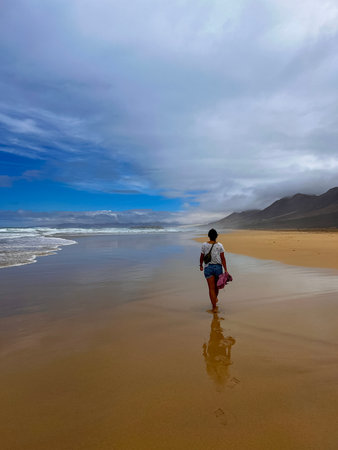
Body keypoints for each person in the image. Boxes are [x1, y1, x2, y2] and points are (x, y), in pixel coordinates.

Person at [200, 228, 228, 310]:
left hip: (208, 268)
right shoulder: (220, 245)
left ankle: (214, 306)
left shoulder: (204, 245)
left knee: (211, 288)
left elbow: (202, 256)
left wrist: (201, 265)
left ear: (209, 236)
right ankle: (214, 300)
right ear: (216, 236)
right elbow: (223, 258)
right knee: (217, 287)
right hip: (218, 268)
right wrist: (225, 269)